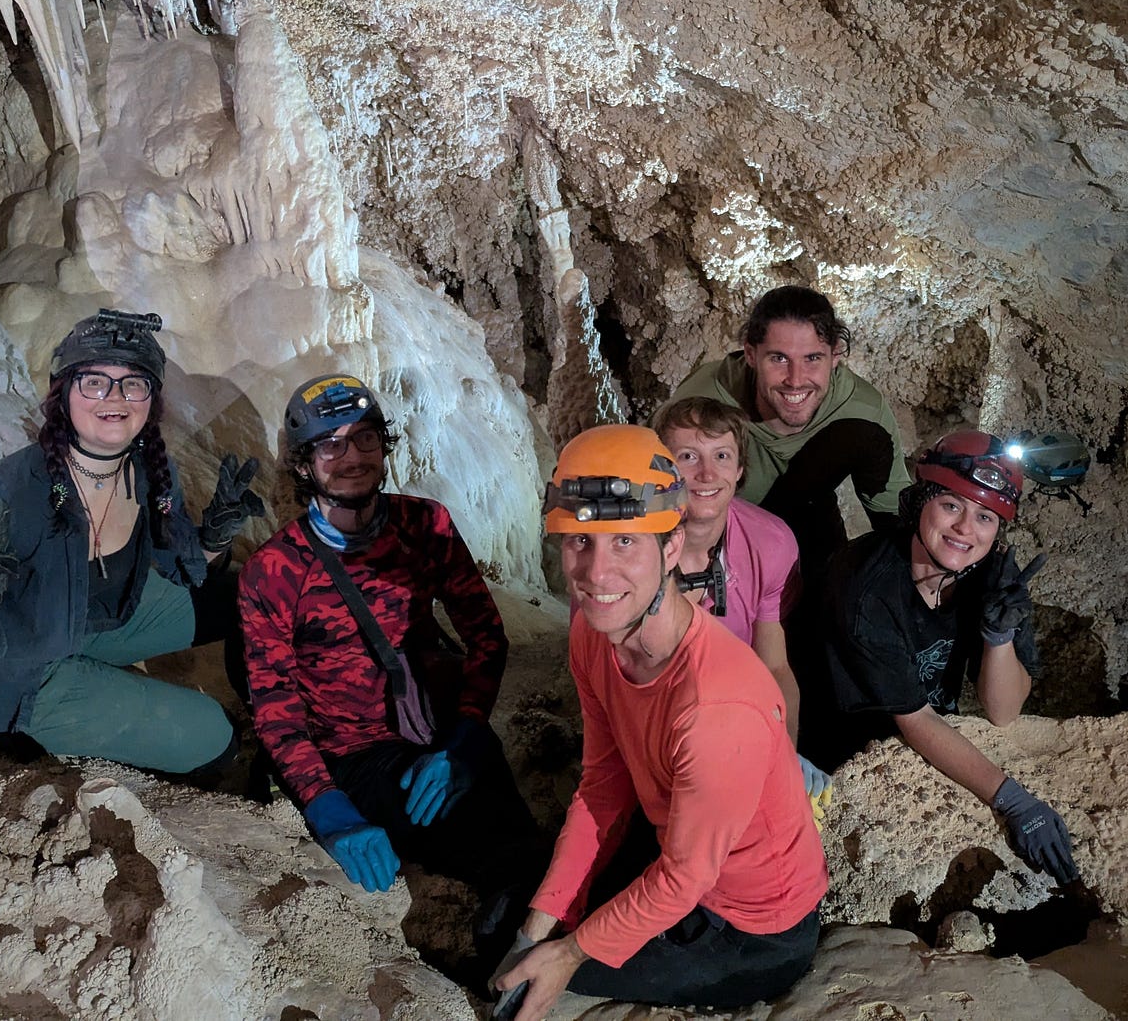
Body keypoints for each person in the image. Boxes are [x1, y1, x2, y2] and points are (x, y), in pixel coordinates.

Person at [494, 425, 827, 1020]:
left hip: (753, 927)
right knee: (502, 927)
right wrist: (536, 928)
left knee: (533, 972)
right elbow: (604, 783)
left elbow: (684, 878)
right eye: (580, 540)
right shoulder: (594, 633)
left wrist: (567, 953)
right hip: (670, 848)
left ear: (671, 547)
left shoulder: (715, 705)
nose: (596, 574)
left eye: (625, 541)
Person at [238, 373, 546, 965]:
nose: (351, 457)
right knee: (481, 836)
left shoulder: (426, 526)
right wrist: (327, 806)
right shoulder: (274, 572)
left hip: (434, 729)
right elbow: (276, 713)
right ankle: (507, 930)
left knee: (501, 810)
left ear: (385, 444)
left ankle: (527, 908)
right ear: (302, 464)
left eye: (365, 438)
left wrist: (465, 735)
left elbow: (485, 635)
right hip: (350, 754)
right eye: (330, 445)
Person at [0, 309, 264, 773]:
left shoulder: (148, 472)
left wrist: (214, 537)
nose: (115, 397)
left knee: (250, 598)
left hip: (86, 624)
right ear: (64, 394)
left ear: (151, 400)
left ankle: (274, 713)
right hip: (9, 677)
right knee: (216, 738)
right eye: (94, 382)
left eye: (133, 383)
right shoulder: (4, 493)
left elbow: (182, 567)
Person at [820, 430, 1078, 885]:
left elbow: (1003, 710)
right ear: (921, 502)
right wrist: (1012, 800)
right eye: (951, 505)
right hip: (839, 757)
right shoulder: (866, 584)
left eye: (985, 516)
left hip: (926, 740)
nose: (965, 529)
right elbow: (915, 720)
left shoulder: (992, 578)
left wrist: (999, 637)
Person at [652, 395, 831, 804]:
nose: (706, 474)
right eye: (688, 456)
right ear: (661, 469)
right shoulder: (625, 552)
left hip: (730, 712)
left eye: (721, 456)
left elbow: (774, 667)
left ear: (739, 469)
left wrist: (780, 757)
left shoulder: (769, 544)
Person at [669, 285, 911, 584]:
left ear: (835, 355)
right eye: (779, 359)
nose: (795, 380)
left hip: (810, 522)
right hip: (719, 537)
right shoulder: (702, 404)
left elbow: (897, 520)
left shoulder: (863, 414)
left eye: (812, 358)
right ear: (751, 354)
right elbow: (652, 494)